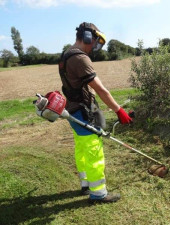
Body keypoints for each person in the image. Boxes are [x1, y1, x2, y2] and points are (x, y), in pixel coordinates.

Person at [58, 22, 132, 204]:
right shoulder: (80, 58)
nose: (95, 48)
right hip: (82, 111)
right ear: (87, 38)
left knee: (82, 148)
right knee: (93, 152)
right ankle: (98, 193)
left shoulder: (66, 54)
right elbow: (101, 90)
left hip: (72, 111)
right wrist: (119, 110)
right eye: (96, 43)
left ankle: (85, 184)